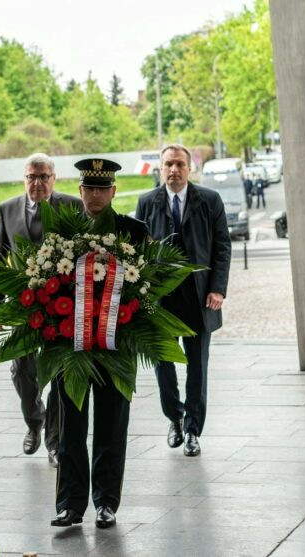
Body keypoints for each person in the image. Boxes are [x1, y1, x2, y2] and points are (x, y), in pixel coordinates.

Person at [51, 158, 148, 530]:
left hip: (114, 345)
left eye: (101, 188)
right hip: (70, 346)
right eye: (88, 188)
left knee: (111, 425)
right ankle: (71, 505)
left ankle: (106, 502)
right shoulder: (61, 232)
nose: (95, 195)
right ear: (79, 191)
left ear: (113, 191)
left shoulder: (134, 232)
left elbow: (149, 286)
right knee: (71, 428)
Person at [135, 144, 232, 458]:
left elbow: (222, 246)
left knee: (197, 367)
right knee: (163, 364)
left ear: (190, 168)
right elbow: (137, 251)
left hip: (199, 298)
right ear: (160, 169)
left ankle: (192, 430)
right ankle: (174, 417)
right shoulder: (147, 202)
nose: (173, 170)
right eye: (167, 165)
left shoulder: (209, 200)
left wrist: (217, 288)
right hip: (161, 300)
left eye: (179, 164)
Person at [0, 152, 82, 467]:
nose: (38, 182)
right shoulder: (7, 210)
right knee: (21, 371)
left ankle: (54, 442)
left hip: (62, 307)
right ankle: (34, 420)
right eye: (32, 176)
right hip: (23, 308)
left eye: (44, 176)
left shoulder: (71, 205)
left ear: (53, 179)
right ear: (24, 178)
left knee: (58, 375)